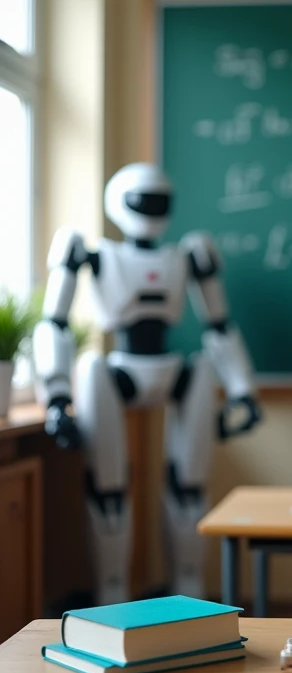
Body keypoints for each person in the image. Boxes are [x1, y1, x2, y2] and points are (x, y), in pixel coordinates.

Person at [33, 162, 261, 604]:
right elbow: (53, 322)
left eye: (160, 201)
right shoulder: (93, 252)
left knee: (189, 483)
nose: (152, 209)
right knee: (109, 485)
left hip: (175, 369)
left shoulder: (189, 254)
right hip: (118, 371)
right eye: (144, 201)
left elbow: (219, 325)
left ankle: (188, 587)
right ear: (120, 204)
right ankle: (111, 593)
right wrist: (57, 396)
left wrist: (242, 389)